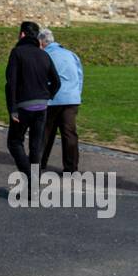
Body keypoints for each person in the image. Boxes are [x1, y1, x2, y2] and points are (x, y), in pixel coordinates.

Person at [4, 21, 61, 183]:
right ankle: (33, 187)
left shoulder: (17, 53)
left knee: (15, 142)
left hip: (23, 106)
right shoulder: (44, 55)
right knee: (35, 147)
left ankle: (30, 177)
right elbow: (56, 82)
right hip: (41, 106)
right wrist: (47, 96)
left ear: (22, 34)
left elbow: (11, 82)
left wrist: (12, 108)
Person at [38, 27, 83, 173]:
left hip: (52, 99)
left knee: (45, 132)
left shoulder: (44, 55)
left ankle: (39, 163)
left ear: (41, 42)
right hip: (71, 98)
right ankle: (71, 168)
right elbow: (79, 75)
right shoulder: (71, 54)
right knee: (69, 133)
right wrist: (76, 94)